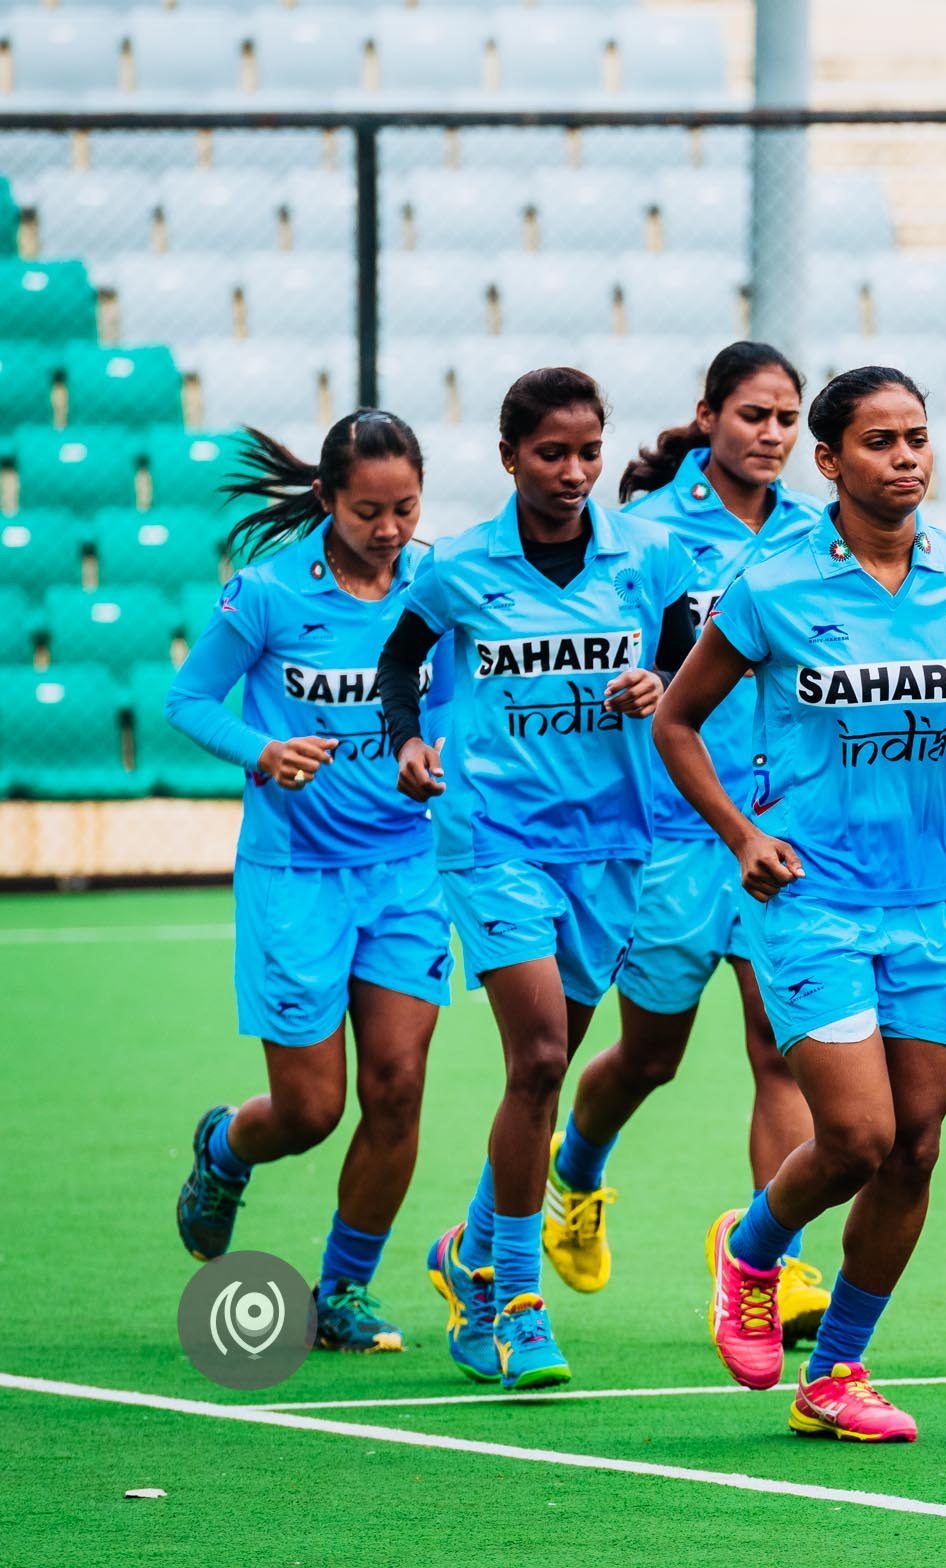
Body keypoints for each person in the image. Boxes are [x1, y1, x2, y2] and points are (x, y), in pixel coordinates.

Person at [655, 365, 946, 1444]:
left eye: (918, 437)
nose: (907, 458)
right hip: (812, 901)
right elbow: (677, 724)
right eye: (880, 441)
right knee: (859, 1135)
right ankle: (752, 1250)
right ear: (830, 462)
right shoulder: (771, 584)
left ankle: (835, 1375)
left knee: (917, 1145)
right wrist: (743, 835)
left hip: (930, 903)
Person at [374, 367, 696, 1391]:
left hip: (615, 841)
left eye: (588, 453)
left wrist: (662, 682)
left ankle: (467, 1255)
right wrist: (408, 741)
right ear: (509, 457)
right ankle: (517, 1302)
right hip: (493, 836)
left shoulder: (647, 554)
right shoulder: (462, 567)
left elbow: (692, 663)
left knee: (547, 1070)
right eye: (551, 454)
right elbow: (401, 661)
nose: (572, 473)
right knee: (542, 1056)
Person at [540, 342, 832, 1351]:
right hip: (669, 834)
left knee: (779, 1049)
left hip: (777, 827)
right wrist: (630, 683)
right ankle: (575, 1171)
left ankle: (777, 1266)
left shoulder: (819, 537)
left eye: (788, 419)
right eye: (754, 414)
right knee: (651, 1057)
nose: (772, 434)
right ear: (707, 417)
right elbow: (595, 646)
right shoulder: (644, 531)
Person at [169, 412, 448, 1356]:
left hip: (407, 869)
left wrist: (432, 752)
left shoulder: (438, 585)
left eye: (405, 508)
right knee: (310, 1111)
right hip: (295, 876)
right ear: (327, 499)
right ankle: (225, 1148)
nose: (389, 528)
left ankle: (345, 1290)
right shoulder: (270, 592)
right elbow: (188, 700)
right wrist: (263, 750)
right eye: (368, 509)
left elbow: (456, 702)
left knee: (399, 1087)